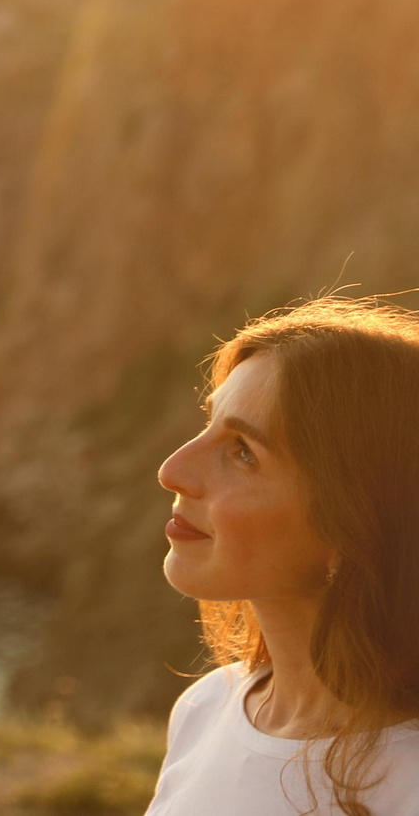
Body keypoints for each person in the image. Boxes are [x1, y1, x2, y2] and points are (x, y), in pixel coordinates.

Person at [150, 296, 419, 815]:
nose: (172, 471)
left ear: (353, 523)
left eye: (243, 452)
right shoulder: (207, 707)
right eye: (208, 422)